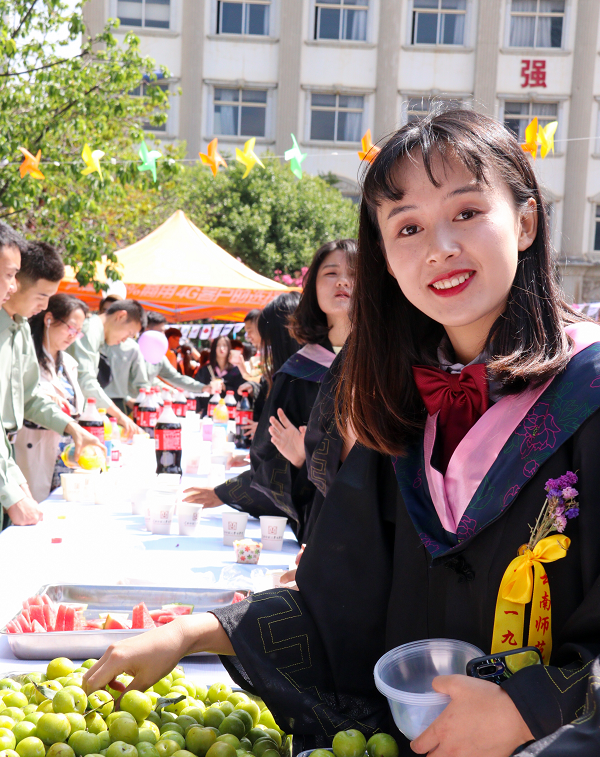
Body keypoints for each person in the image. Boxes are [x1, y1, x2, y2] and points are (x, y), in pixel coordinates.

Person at [83, 110, 600, 757]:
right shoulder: (403, 412)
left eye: (466, 212)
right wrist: (195, 631)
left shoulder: (589, 392)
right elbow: (344, 602)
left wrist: (529, 710)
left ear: (525, 222)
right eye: (407, 226)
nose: (438, 246)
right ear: (385, 257)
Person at [184, 240, 355, 541]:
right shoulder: (298, 372)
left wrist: (310, 456)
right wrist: (300, 462)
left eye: (355, 273)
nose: (342, 280)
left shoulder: (392, 365)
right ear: (313, 288)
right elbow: (268, 462)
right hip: (326, 534)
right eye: (331, 273)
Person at [0, 238, 104, 528]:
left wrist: (72, 428)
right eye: (42, 296)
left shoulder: (20, 328)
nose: (45, 306)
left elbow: (29, 396)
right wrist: (11, 491)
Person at [14, 295, 88, 502]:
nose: (73, 335)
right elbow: (22, 398)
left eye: (78, 331)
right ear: (48, 319)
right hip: (32, 448)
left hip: (65, 453)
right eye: (71, 327)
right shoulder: (25, 358)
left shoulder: (69, 363)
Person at [67, 299, 147, 436]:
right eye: (129, 333)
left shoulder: (96, 333)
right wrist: (120, 416)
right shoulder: (90, 330)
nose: (125, 340)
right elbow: (85, 381)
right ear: (120, 316)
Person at [143, 312, 209, 394]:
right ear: (147, 330)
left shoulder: (160, 356)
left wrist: (203, 387)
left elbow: (174, 377)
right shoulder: (134, 351)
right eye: (161, 331)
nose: (163, 335)